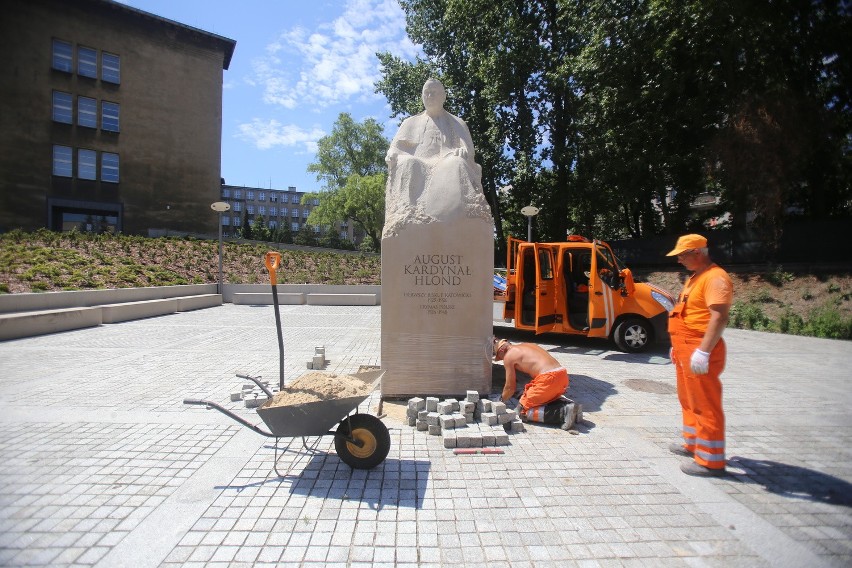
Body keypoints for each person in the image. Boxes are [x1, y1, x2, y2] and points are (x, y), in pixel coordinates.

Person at [382, 78, 491, 237]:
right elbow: (395, 148)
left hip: (446, 160)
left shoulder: (457, 122)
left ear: (443, 96)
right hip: (419, 161)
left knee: (457, 163)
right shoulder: (410, 122)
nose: (429, 96)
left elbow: (468, 150)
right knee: (408, 163)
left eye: (433, 93)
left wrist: (463, 151)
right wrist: (391, 154)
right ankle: (406, 216)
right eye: (426, 93)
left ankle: (459, 217)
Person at [666, 234, 733, 477]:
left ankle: (710, 461)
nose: (679, 260)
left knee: (705, 404)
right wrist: (677, 344)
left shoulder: (715, 278)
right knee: (689, 399)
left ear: (698, 252)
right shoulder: (697, 278)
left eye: (682, 255)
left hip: (699, 348)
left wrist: (703, 351)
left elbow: (719, 317)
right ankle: (693, 443)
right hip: (686, 348)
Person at [493, 338, 569, 411]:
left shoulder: (508, 356)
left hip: (549, 379)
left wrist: (500, 400)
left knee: (522, 409)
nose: (503, 359)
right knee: (543, 397)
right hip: (562, 375)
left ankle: (563, 413)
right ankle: (567, 404)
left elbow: (510, 388)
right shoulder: (527, 345)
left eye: (500, 357)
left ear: (501, 350)